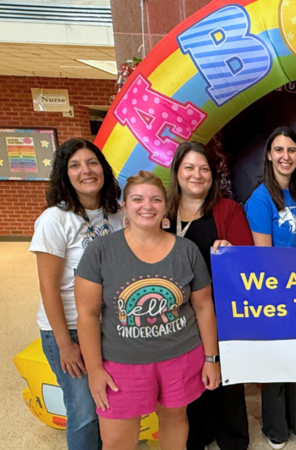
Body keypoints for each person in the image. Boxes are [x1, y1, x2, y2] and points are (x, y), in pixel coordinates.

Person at [75, 171, 221, 449]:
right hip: (122, 362)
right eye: (138, 199)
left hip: (180, 356)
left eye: (155, 199)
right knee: (117, 439)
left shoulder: (186, 251)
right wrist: (94, 369)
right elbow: (87, 314)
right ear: (125, 206)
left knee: (175, 417)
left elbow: (204, 306)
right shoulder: (101, 251)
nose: (147, 206)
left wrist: (211, 358)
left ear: (165, 206)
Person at [30, 138, 122, 449]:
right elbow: (48, 285)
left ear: (104, 169)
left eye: (92, 162)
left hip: (107, 323)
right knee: (84, 412)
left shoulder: (118, 213)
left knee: (107, 402)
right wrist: (63, 343)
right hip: (68, 327)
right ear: (64, 175)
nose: (86, 170)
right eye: (75, 165)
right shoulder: (54, 220)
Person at [164, 141, 254, 450]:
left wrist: (233, 253)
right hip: (176, 316)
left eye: (204, 169)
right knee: (188, 380)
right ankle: (197, 436)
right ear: (177, 172)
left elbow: (248, 262)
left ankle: (232, 439)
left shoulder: (228, 210)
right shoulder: (162, 212)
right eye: (189, 167)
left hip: (220, 313)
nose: (197, 175)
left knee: (226, 382)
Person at [244, 127, 296, 449]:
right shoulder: (260, 200)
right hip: (276, 294)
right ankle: (275, 428)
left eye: (291, 150)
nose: (285, 156)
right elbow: (264, 257)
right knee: (276, 362)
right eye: (279, 150)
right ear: (269, 156)